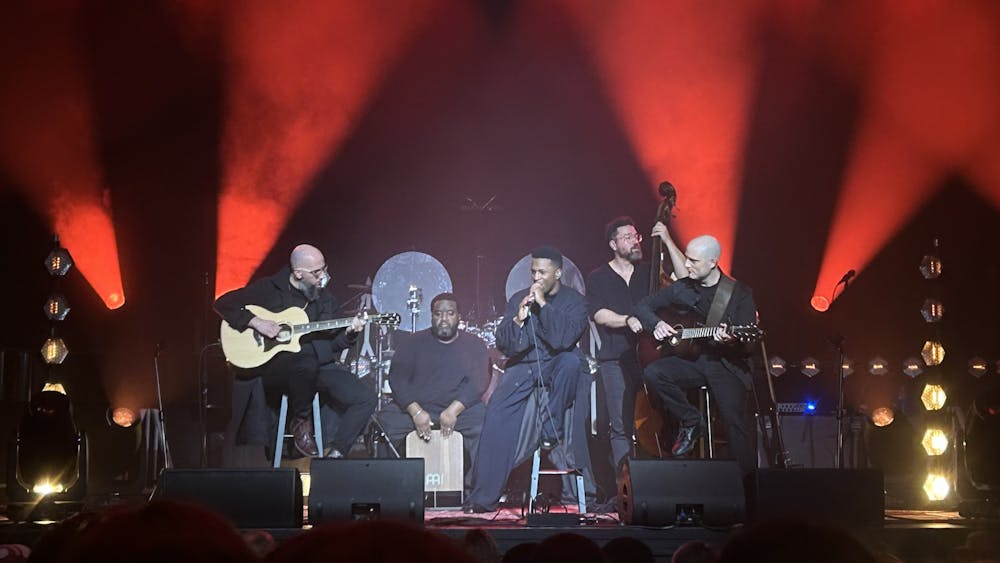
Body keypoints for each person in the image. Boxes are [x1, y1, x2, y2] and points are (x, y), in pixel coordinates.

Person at [214, 244, 376, 458]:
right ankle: (300, 421)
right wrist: (256, 322)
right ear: (298, 273)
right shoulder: (269, 289)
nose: (323, 276)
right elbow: (223, 303)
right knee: (305, 359)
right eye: (317, 272)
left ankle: (335, 455)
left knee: (365, 398)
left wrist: (350, 333)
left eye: (324, 269)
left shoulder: (325, 299)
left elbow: (334, 344)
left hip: (316, 368)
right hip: (275, 368)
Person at [466, 246, 589, 512]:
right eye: (533, 271)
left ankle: (550, 429)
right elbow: (506, 345)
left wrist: (543, 305)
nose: (536, 278)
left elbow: (562, 340)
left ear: (558, 273)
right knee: (497, 410)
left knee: (571, 362)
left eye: (542, 272)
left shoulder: (575, 302)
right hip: (525, 365)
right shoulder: (520, 299)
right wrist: (519, 321)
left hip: (558, 363)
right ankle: (483, 497)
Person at [635, 235, 757, 474]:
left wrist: (731, 341)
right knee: (654, 373)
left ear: (713, 262)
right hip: (695, 361)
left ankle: (747, 488)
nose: (686, 264)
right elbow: (643, 306)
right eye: (687, 259)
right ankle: (692, 420)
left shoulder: (739, 294)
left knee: (734, 425)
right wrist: (656, 323)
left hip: (726, 364)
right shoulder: (683, 287)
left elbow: (749, 345)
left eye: (693, 261)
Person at [586, 216, 685, 471]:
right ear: (613, 244)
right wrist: (626, 319)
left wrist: (666, 240)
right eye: (628, 237)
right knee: (621, 424)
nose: (635, 242)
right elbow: (598, 313)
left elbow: (685, 279)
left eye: (637, 236)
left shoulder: (651, 272)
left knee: (661, 417)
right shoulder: (598, 277)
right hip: (615, 358)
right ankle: (625, 487)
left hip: (653, 355)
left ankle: (663, 475)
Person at [378, 293, 490, 491]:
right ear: (431, 316)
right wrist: (416, 412)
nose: (444, 319)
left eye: (450, 313)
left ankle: (475, 490)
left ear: (459, 317)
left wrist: (453, 411)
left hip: (459, 410)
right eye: (438, 314)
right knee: (385, 424)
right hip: (420, 409)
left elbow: (479, 381)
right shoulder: (412, 343)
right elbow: (398, 380)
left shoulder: (475, 344)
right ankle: (389, 489)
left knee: (485, 426)